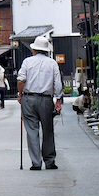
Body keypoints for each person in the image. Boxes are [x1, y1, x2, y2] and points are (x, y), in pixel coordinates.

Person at [17, 34, 64, 170]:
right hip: (46, 100)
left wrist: (21, 95)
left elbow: (21, 80)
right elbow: (58, 84)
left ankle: (36, 162)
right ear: (46, 50)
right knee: (48, 130)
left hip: (29, 98)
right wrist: (58, 100)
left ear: (34, 50)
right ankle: (49, 161)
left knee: (32, 130)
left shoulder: (27, 62)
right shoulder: (52, 63)